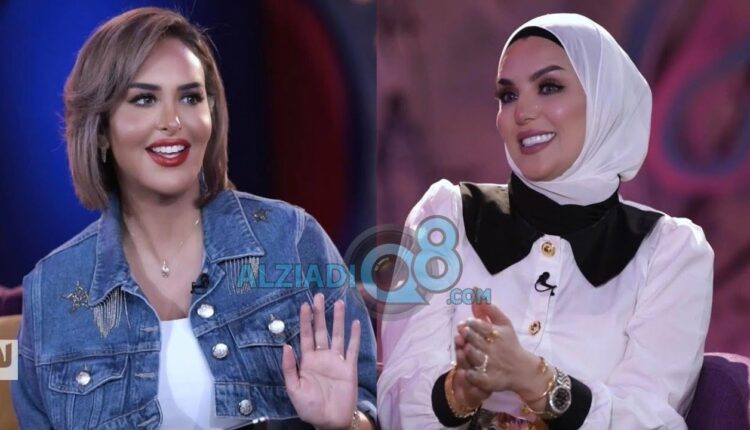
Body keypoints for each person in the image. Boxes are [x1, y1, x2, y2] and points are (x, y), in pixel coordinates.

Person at [11, 7, 376, 430]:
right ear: (102, 130)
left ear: (211, 114)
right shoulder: (51, 292)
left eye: (190, 97)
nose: (173, 122)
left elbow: (369, 408)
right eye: (144, 99)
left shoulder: (292, 241)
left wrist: (345, 423)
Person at [377, 13, 713, 430]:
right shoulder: (443, 217)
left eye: (549, 87)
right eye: (508, 95)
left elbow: (652, 419)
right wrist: (457, 394)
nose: (522, 112)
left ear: (605, 100)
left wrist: (537, 381)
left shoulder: (670, 252)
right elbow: (396, 398)